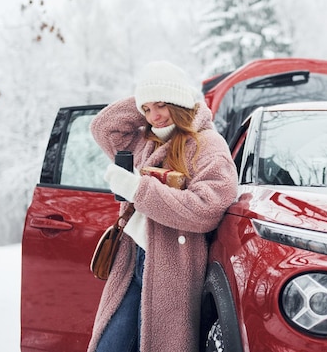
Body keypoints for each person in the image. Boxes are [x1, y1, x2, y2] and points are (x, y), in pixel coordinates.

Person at [87, 61, 238, 352]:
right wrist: (147, 94)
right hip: (134, 260)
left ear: (179, 103)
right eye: (147, 110)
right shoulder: (145, 141)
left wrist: (137, 189)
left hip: (172, 263)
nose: (154, 116)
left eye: (161, 106)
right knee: (110, 345)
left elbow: (206, 209)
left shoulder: (207, 143)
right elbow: (104, 127)